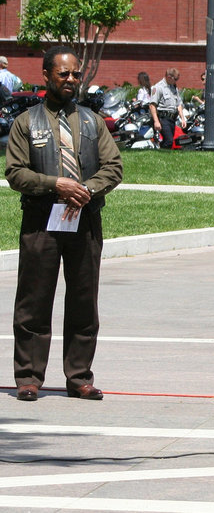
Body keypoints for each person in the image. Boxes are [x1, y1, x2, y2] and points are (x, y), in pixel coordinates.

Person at [5, 45, 123, 402]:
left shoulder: (92, 121)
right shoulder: (27, 122)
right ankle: (28, 378)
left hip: (84, 222)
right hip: (41, 222)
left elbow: (113, 166)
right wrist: (55, 184)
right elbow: (14, 172)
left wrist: (86, 189)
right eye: (63, 74)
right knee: (34, 302)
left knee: (84, 303)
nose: (71, 79)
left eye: (75, 73)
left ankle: (79, 378)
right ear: (46, 76)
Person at [148, 68, 187, 149]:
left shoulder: (174, 87)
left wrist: (182, 119)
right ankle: (160, 156)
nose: (176, 81)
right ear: (169, 77)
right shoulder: (158, 87)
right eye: (175, 79)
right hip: (163, 118)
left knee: (169, 142)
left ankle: (162, 156)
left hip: (172, 119)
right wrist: (156, 121)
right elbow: (152, 105)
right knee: (168, 141)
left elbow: (178, 104)